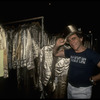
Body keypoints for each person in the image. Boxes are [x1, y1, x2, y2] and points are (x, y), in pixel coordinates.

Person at [53, 25, 100, 99]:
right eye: (69, 40)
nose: (71, 42)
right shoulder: (70, 52)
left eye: (73, 38)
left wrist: (94, 78)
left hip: (83, 91)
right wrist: (56, 45)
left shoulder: (91, 54)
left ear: (81, 38)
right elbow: (55, 54)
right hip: (70, 87)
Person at [39, 34, 70, 99]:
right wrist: (40, 83)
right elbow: (40, 68)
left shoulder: (70, 52)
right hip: (47, 81)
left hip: (62, 83)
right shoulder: (45, 50)